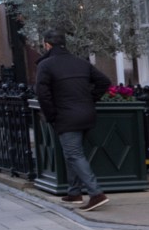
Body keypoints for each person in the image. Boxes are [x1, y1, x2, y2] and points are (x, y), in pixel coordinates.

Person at [34, 30, 112, 212]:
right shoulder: (81, 62)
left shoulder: (46, 65)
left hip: (66, 115)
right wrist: (91, 99)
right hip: (86, 113)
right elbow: (104, 81)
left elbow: (42, 94)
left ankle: (96, 193)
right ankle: (74, 192)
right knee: (73, 153)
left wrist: (51, 115)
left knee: (74, 154)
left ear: (47, 45)